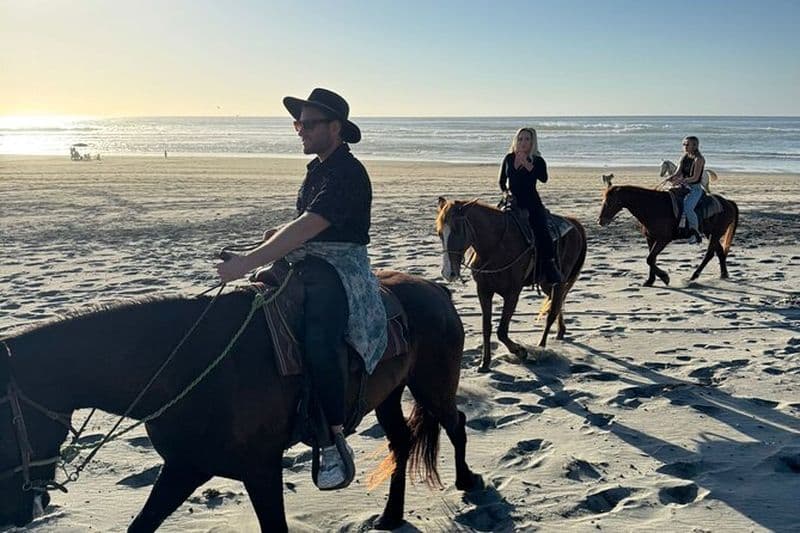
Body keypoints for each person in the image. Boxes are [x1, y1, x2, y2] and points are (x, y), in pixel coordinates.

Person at [216, 88, 387, 490]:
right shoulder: (318, 169)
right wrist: (272, 241)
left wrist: (246, 262)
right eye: (298, 124)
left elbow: (311, 224)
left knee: (319, 338)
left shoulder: (347, 172)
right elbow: (304, 225)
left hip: (340, 268)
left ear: (335, 128)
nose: (300, 131)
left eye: (308, 124)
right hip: (308, 259)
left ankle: (332, 435)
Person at [498, 127, 562, 284]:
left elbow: (544, 178)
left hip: (531, 202)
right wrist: (506, 193)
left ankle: (550, 266)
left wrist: (527, 164)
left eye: (527, 139)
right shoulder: (509, 158)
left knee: (542, 231)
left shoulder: (538, 160)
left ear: (532, 142)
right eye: (520, 139)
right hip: (512, 201)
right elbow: (501, 181)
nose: (523, 142)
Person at [666, 135, 706, 244]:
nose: (685, 146)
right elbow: (677, 173)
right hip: (683, 186)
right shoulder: (684, 157)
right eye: (684, 144)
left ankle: (695, 233)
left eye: (687, 144)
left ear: (695, 146)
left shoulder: (699, 159)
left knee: (688, 207)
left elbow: (695, 178)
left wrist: (681, 180)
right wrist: (671, 177)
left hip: (694, 188)